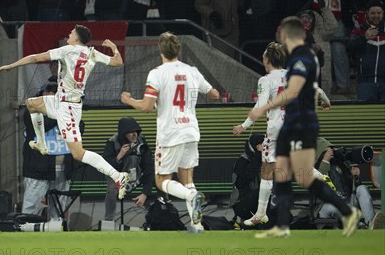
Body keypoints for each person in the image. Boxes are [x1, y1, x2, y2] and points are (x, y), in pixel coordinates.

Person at [250, 16, 361, 238]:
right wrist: (322, 97)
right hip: (293, 124)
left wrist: (263, 108)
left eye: (283, 32)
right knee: (281, 172)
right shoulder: (297, 59)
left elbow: (293, 92)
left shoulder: (302, 58)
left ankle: (348, 211)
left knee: (302, 176)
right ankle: (281, 226)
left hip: (301, 125)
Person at [0, 24, 131, 197]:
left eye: (71, 32)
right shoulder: (93, 53)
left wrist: (11, 66)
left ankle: (118, 176)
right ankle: (41, 142)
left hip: (69, 108)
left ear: (77, 38)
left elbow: (36, 58)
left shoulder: (67, 50)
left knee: (78, 154)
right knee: (31, 103)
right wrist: (114, 48)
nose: (68, 34)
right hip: (60, 101)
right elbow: (118, 62)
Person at [120, 32, 220, 231]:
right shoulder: (192, 70)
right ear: (178, 49)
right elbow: (215, 94)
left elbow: (147, 106)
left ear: (160, 49)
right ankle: (197, 224)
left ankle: (190, 197)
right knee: (187, 179)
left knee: (162, 180)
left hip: (171, 133)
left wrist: (128, 100)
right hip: (191, 130)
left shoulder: (157, 73)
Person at [232, 41, 287, 226]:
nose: (262, 59)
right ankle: (261, 213)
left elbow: (260, 105)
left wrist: (244, 125)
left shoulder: (266, 79)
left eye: (264, 57)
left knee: (267, 170)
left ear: (268, 59)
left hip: (276, 127)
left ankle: (261, 213)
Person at [21, 82, 81, 219]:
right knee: (31, 207)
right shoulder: (32, 109)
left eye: (56, 93)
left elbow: (79, 129)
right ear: (42, 94)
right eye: (49, 92)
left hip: (62, 169)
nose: (52, 96)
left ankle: (56, 236)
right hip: (37, 168)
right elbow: (42, 125)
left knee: (59, 210)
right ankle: (25, 236)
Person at [313, 137, 383, 230]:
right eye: (327, 150)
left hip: (346, 201)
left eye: (331, 149)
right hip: (325, 205)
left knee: (362, 188)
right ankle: (358, 225)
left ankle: (370, 223)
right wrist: (325, 161)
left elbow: (353, 188)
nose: (331, 151)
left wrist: (355, 177)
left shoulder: (339, 164)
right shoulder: (315, 169)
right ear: (320, 153)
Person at [102, 116, 154, 221]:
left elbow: (148, 167)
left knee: (157, 181)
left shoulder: (141, 142)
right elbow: (105, 167)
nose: (134, 134)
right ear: (123, 133)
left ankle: (154, 219)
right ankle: (109, 220)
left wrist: (145, 193)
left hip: (138, 175)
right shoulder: (113, 142)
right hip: (117, 176)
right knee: (111, 190)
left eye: (136, 131)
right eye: (130, 132)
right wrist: (119, 156)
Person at [347, 0, 385, 101]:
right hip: (365, 83)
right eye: (373, 13)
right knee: (367, 116)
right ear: (367, 13)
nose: (376, 16)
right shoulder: (359, 29)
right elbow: (349, 47)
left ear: (383, 13)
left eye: (379, 13)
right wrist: (364, 37)